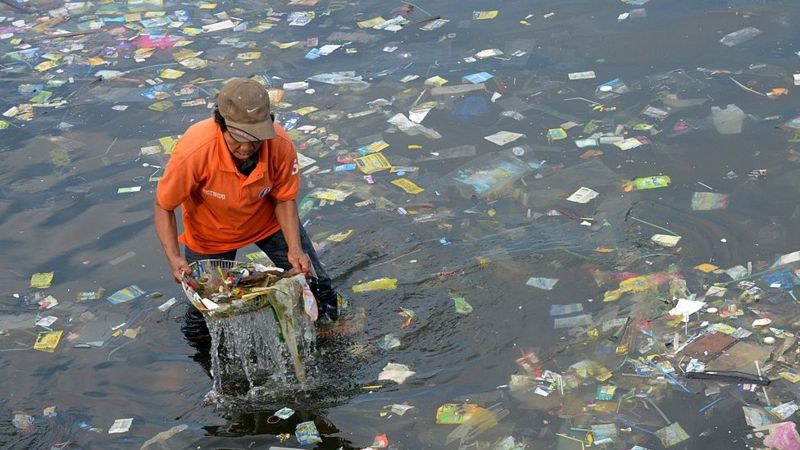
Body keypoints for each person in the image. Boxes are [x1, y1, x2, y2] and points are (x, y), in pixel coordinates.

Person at [153, 78, 339, 341]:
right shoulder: (195, 150)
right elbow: (164, 205)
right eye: (237, 139)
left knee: (317, 284)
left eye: (255, 139)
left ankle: (329, 337)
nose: (246, 148)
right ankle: (205, 359)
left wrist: (294, 249)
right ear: (221, 125)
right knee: (204, 312)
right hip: (211, 234)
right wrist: (174, 258)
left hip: (267, 222)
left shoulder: (280, 145)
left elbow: (284, 199)